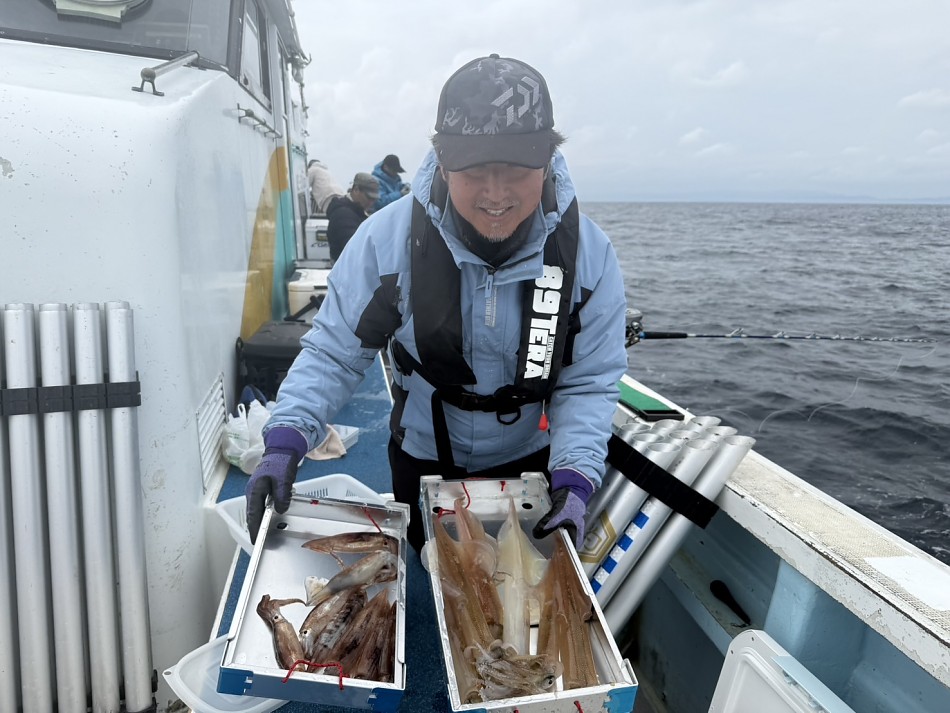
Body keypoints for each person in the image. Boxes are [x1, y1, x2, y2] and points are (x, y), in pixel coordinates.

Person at [245, 54, 628, 552]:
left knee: (518, 580)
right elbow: (334, 353)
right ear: (443, 163)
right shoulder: (386, 242)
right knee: (426, 570)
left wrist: (574, 477)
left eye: (516, 169)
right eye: (474, 169)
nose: (495, 193)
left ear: (548, 161)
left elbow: (588, 380)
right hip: (422, 457)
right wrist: (286, 439)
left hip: (530, 466)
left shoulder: (588, 257)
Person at [326, 172, 379, 262]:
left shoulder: (358, 211)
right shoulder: (343, 215)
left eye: (374, 199)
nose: (371, 203)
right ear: (356, 190)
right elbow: (355, 250)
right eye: (369, 198)